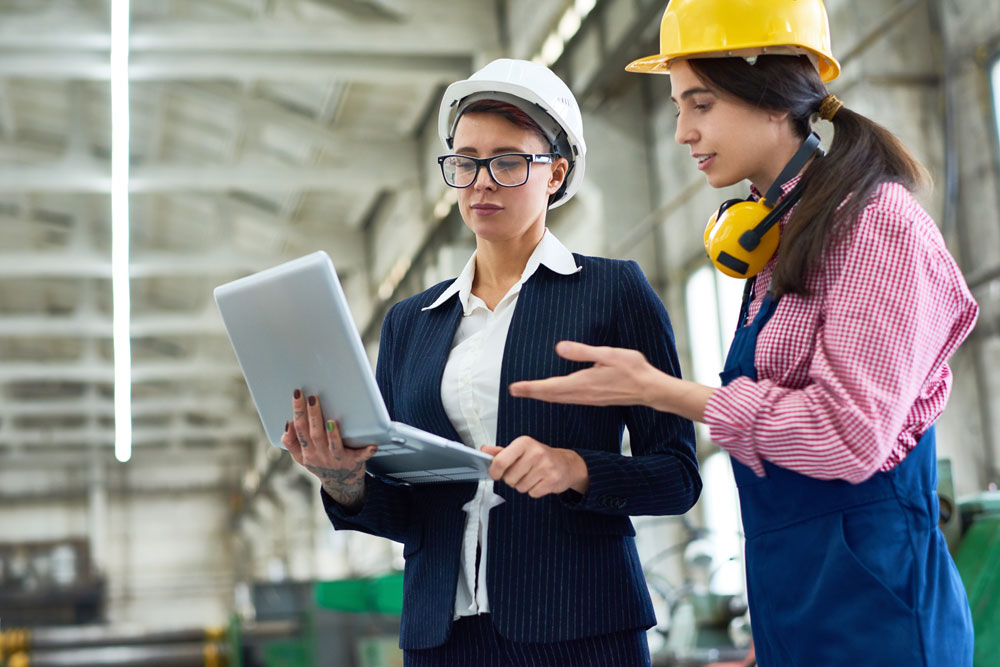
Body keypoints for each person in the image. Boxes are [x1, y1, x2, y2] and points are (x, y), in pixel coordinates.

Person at [508, 1, 979, 665]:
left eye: (699, 104)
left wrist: (666, 393)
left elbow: (847, 436)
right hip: (801, 614)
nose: (682, 132)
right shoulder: (778, 242)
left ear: (769, 91)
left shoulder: (877, 226)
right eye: (678, 107)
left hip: (880, 620)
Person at [280, 58, 701, 666]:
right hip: (442, 637)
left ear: (556, 172)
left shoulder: (612, 292)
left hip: (581, 628)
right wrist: (343, 481)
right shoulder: (411, 323)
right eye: (465, 161)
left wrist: (574, 468)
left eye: (507, 161)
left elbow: (678, 475)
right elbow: (409, 510)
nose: (481, 181)